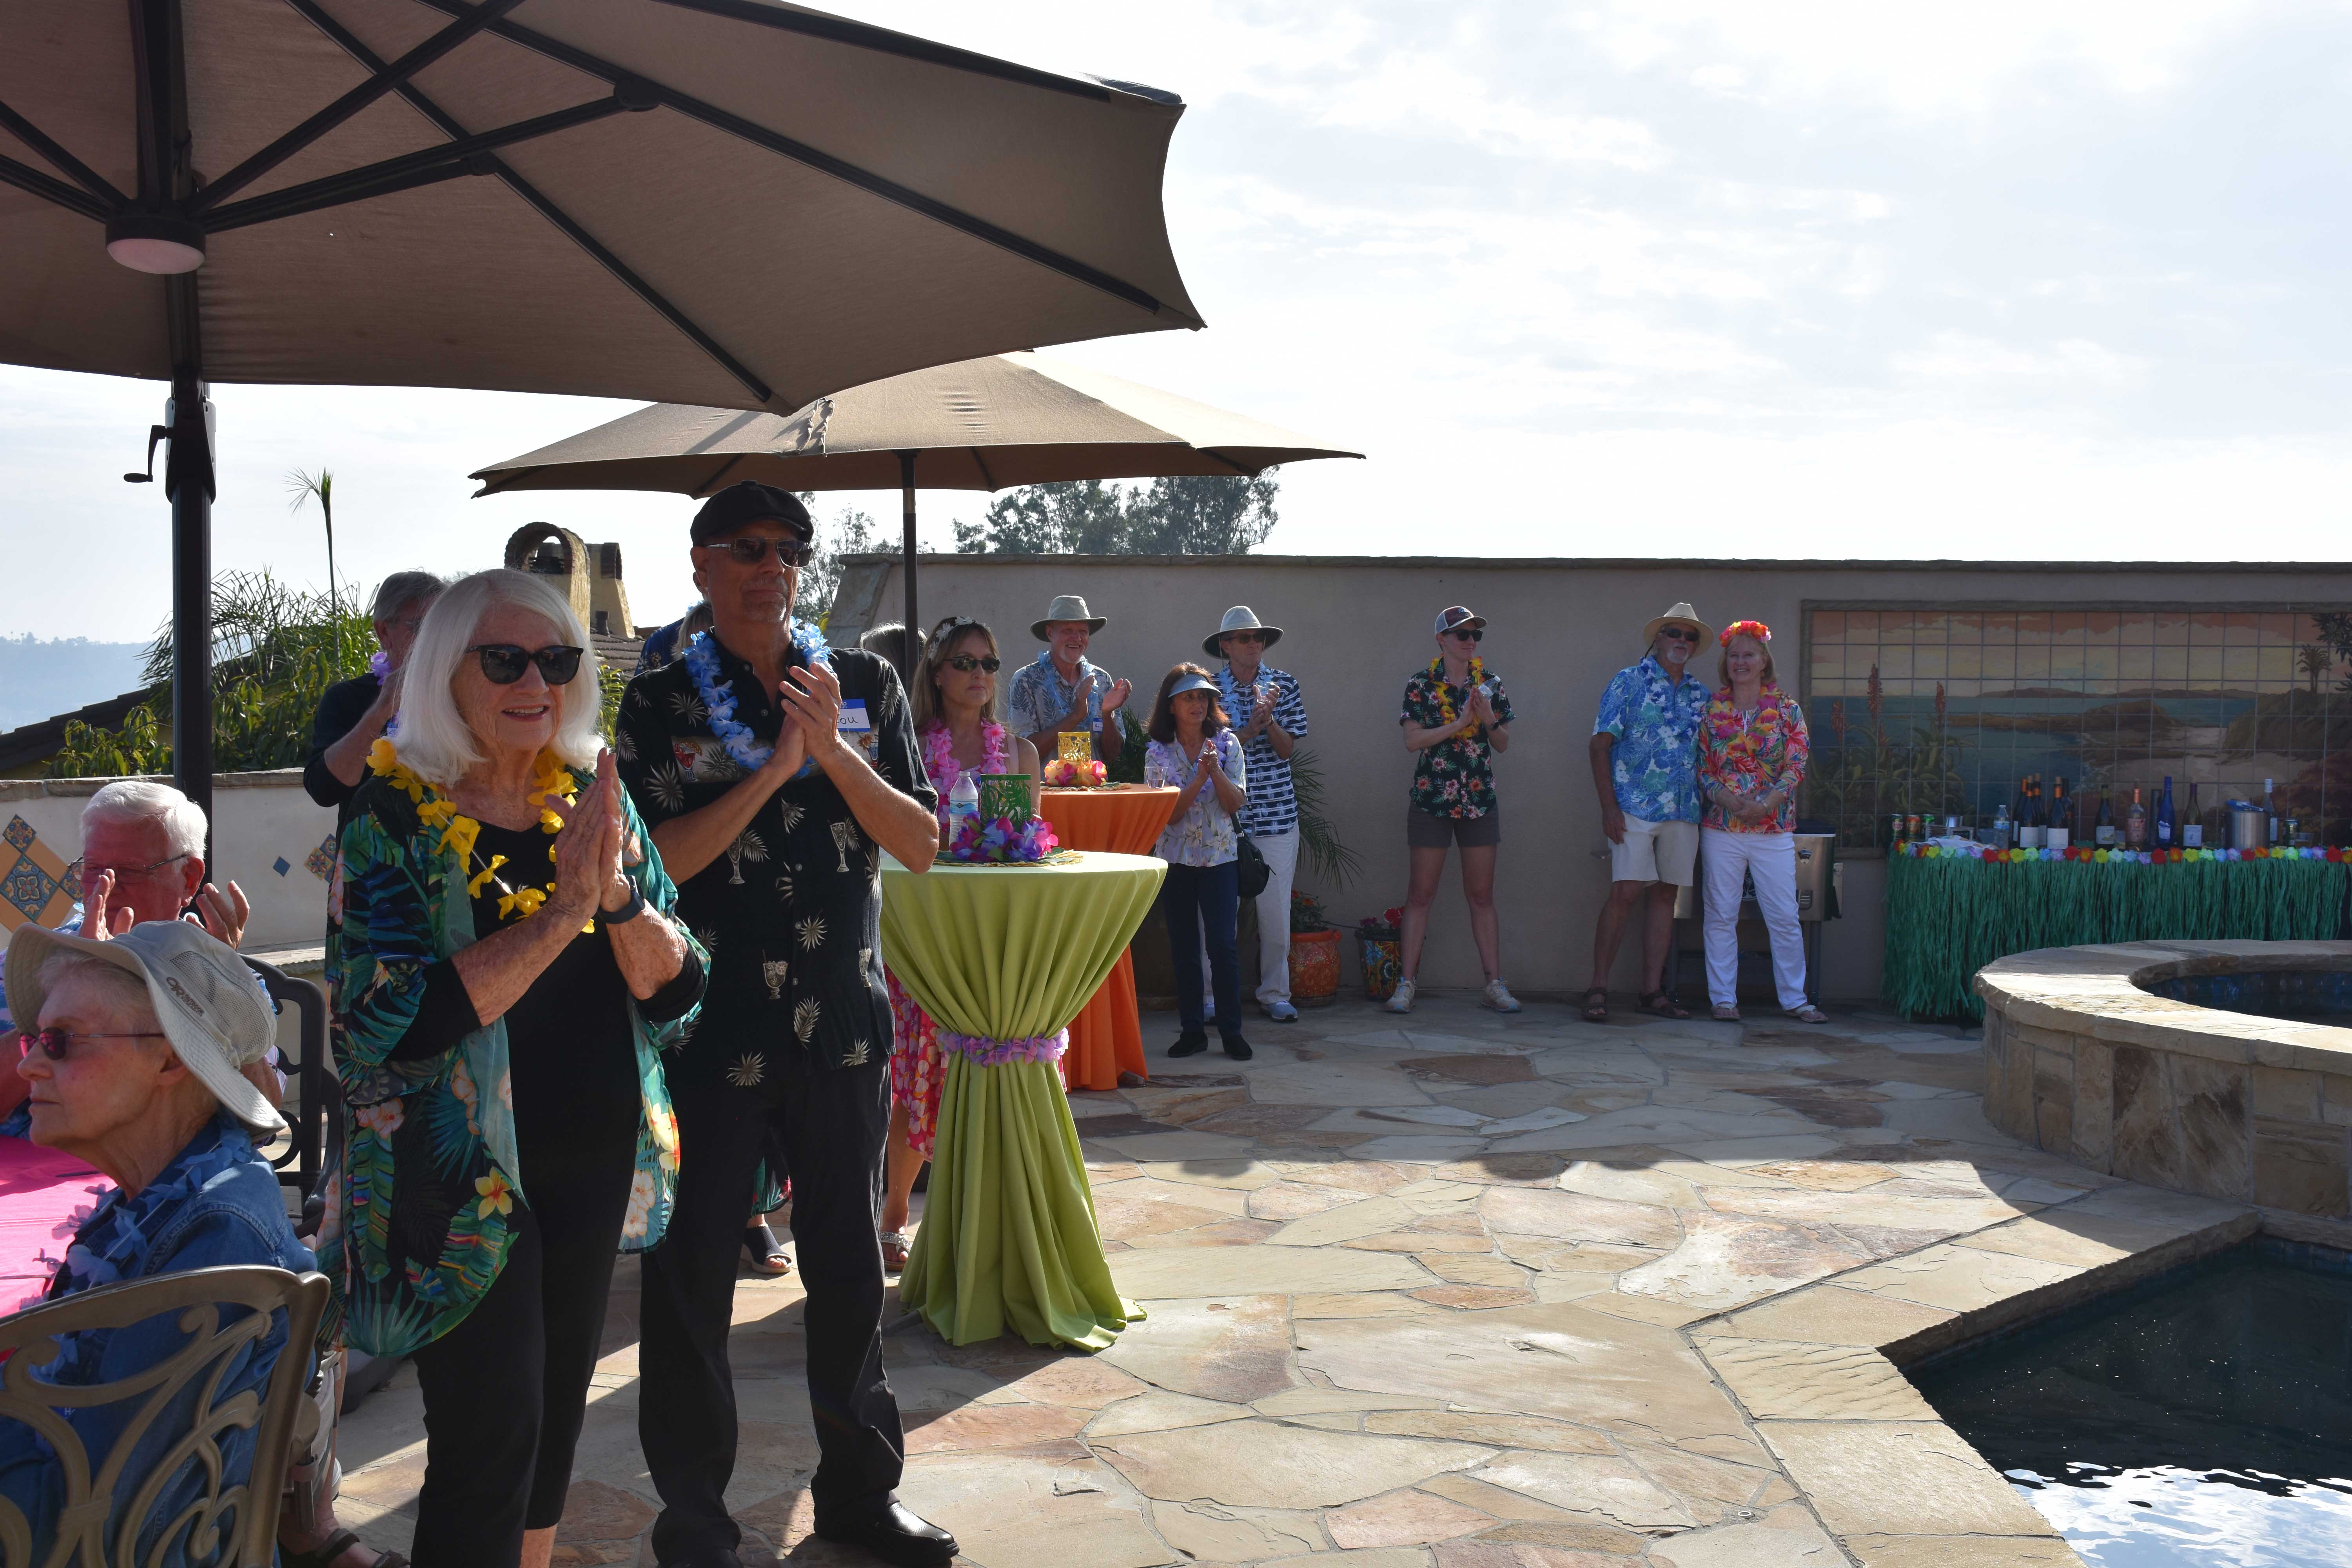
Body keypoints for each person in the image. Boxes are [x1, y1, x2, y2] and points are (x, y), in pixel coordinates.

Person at [325, 568, 706, 1568]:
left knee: (551, 1424)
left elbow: (680, 989)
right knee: (488, 1436)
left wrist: (617, 900)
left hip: (590, 1163)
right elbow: (379, 1022)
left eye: (556, 659)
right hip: (461, 1185)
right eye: (504, 659)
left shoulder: (588, 800)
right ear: (446, 673)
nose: (534, 679)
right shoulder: (392, 818)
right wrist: (560, 917)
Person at [613, 481, 952, 1568]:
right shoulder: (660, 701)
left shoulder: (861, 682)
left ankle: (860, 1495)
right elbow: (656, 861)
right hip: (715, 1032)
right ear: (703, 563)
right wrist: (772, 776)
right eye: (747, 547)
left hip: (844, 1024)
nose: (772, 565)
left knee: (850, 1272)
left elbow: (921, 842)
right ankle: (698, 1525)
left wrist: (834, 754)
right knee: (692, 1283)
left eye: (790, 548)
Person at [0, 921, 314, 1566]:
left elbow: (93, 1521)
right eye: (37, 1038)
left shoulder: (216, 1242)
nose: (28, 1062)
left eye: (60, 1042)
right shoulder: (163, 1196)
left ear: (169, 1059)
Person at [876, 616, 1040, 1272]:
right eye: (966, 662)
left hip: (988, 932)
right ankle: (893, 1215)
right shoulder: (909, 747)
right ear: (937, 673)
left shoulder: (1020, 754)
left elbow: (1027, 846)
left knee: (976, 1078)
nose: (979, 675)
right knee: (918, 1079)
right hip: (922, 932)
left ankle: (968, 1220)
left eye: (990, 664)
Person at [0, 780, 261, 1137]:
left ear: (189, 879)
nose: (107, 884)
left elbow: (260, 1114)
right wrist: (80, 978)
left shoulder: (220, 974)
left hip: (167, 1185)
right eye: (94, 869)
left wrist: (214, 991)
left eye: (131, 871)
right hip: (35, 1180)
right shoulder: (22, 966)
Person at [1586, 602, 1714, 1024]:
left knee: (1665, 896)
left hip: (1683, 807)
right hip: (1633, 806)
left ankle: (1651, 991)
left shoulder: (1701, 695)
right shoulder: (1628, 681)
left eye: (1690, 636)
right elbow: (1599, 745)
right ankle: (1598, 988)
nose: (1682, 641)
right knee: (1625, 892)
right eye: (1674, 633)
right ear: (1658, 638)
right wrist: (1609, 807)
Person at [1699, 620, 1827, 1025]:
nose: (1741, 661)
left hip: (1772, 828)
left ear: (1764, 661)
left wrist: (1767, 802)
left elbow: (1797, 764)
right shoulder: (1712, 710)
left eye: (1749, 654)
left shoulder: (1787, 709)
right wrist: (1729, 799)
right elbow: (1702, 768)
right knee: (1721, 913)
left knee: (1783, 914)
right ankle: (1723, 999)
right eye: (1734, 655)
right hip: (1722, 827)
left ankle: (1795, 999)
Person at [1392, 606, 1518, 1015]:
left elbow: (1502, 743)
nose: (1470, 641)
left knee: (1482, 896)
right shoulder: (1420, 685)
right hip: (1432, 799)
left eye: (1474, 635)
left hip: (1478, 800)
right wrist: (1460, 722)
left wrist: (1487, 719)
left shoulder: (1491, 684)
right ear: (1442, 641)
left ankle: (1494, 984)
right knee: (1421, 894)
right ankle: (1406, 984)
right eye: (1461, 634)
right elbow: (1413, 741)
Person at [1206, 606, 1310, 1024]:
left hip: (1277, 815)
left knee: (1274, 911)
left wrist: (1268, 723)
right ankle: (1213, 998)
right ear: (1226, 645)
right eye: (1244, 638)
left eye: (1258, 638)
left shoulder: (1284, 684)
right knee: (1218, 913)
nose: (1253, 645)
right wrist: (1247, 729)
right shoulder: (1208, 689)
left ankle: (1275, 993)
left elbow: (1287, 750)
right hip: (1223, 816)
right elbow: (1208, 753)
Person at [1144, 666, 1252, 1061]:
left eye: (1203, 697)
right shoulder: (1158, 750)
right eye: (1189, 697)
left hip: (1220, 860)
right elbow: (1168, 814)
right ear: (1171, 705)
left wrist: (1216, 770)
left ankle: (1232, 1032)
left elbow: (1235, 802)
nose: (1198, 703)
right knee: (1185, 948)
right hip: (1176, 861)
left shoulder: (1227, 743)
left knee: (1223, 947)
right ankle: (1192, 1031)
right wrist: (1199, 775)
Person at [304, 572, 448, 827]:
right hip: (372, 857)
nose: (433, 639)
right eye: (419, 627)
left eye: (441, 627)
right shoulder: (346, 698)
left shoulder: (466, 693)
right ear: (384, 632)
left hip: (456, 852)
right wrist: (381, 709)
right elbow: (324, 792)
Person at [1006, 594, 1133, 765]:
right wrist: (1076, 715)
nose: (1077, 639)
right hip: (1044, 791)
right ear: (1050, 633)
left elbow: (1112, 756)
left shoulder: (1101, 680)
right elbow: (1024, 751)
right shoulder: (1026, 680)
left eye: (1083, 632)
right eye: (1068, 631)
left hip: (1093, 790)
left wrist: (1107, 714)